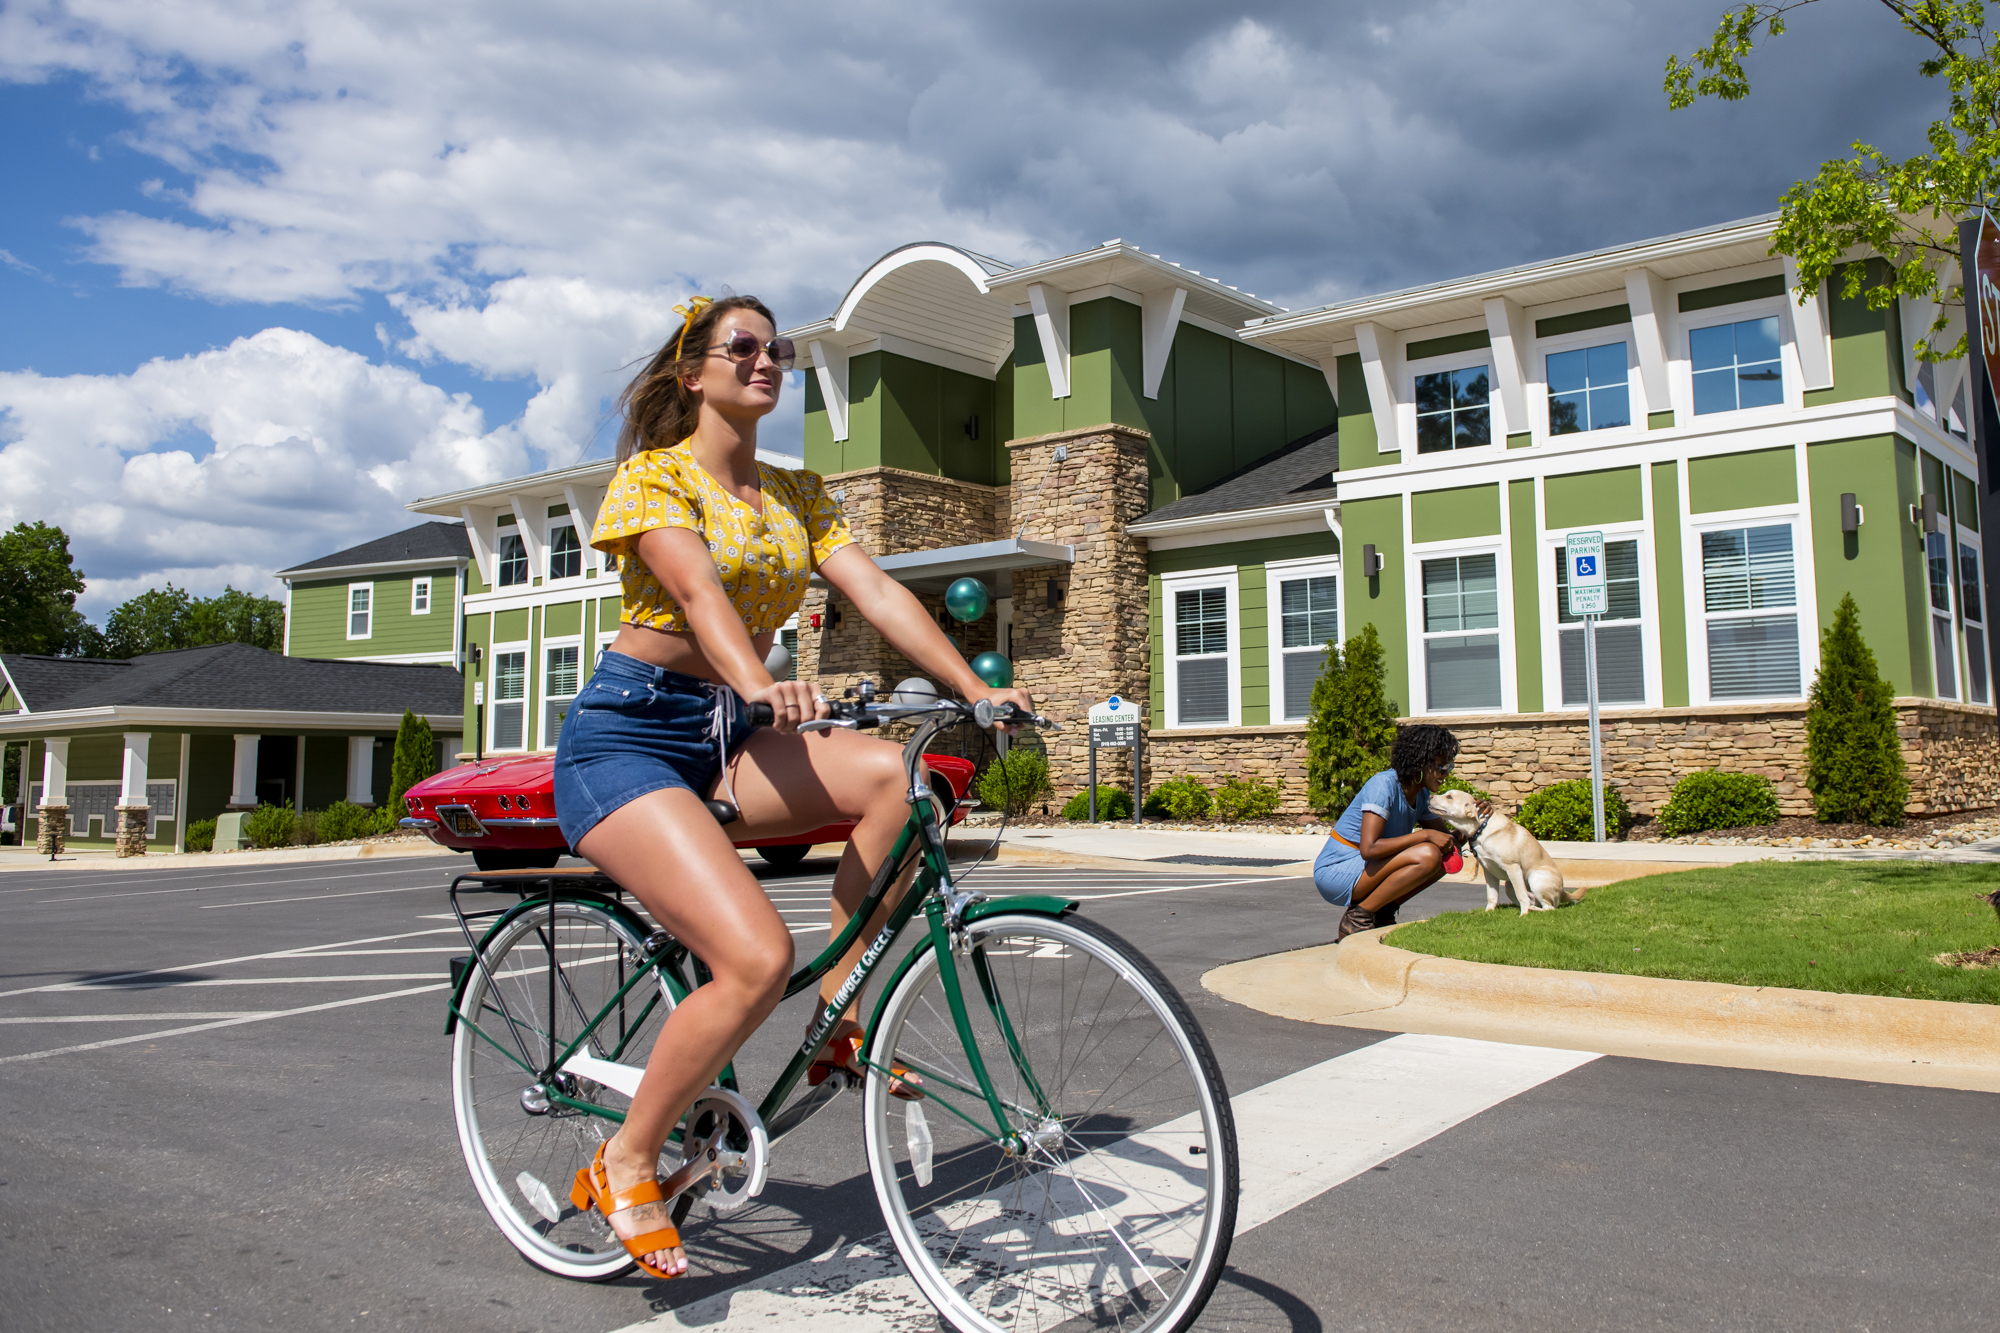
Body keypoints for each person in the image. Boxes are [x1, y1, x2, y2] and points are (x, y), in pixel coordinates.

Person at [552, 293, 1034, 1281]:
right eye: (743, 347)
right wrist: (760, 683)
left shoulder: (797, 494)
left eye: (778, 350)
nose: (765, 361)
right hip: (629, 741)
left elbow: (881, 592)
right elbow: (697, 593)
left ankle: (842, 1016)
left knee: (902, 781)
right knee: (751, 954)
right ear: (693, 372)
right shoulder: (653, 479)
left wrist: (977, 687)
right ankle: (627, 1158)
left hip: (728, 734)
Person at [1312, 724, 1475, 941]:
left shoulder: (1421, 793)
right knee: (1427, 854)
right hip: (1337, 870)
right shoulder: (1384, 785)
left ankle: (1382, 912)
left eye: (1449, 767)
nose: (1445, 773)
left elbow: (1449, 843)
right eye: (1441, 766)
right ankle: (1358, 917)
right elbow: (1369, 849)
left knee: (1446, 856)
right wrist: (1424, 835)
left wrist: (1477, 823)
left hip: (1368, 868)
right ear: (1421, 761)